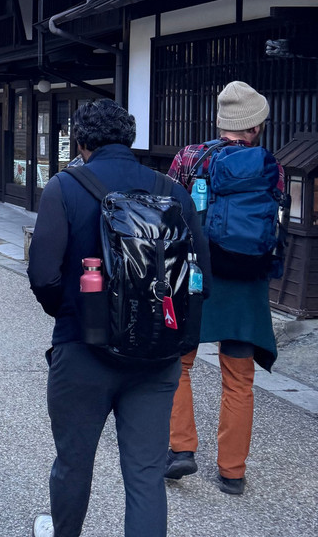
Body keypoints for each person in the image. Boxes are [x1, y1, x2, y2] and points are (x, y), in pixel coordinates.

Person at [27, 99, 208, 537]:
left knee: (74, 462)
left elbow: (42, 274)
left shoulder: (64, 187)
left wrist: (72, 314)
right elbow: (201, 270)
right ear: (129, 139)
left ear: (82, 142)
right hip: (156, 353)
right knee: (145, 473)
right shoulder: (171, 189)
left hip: (83, 349)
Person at [164, 81, 282, 496]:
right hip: (246, 282)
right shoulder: (271, 164)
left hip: (198, 276)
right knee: (239, 378)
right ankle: (232, 471)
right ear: (255, 126)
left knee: (180, 366)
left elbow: (170, 211)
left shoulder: (191, 157)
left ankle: (181, 449)